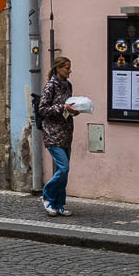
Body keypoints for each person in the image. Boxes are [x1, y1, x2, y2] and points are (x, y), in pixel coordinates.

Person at [38, 56, 80, 217]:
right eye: (67, 68)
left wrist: (73, 111)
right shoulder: (50, 86)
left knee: (62, 172)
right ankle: (47, 196)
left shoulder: (68, 85)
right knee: (64, 168)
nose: (70, 71)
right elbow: (42, 109)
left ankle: (59, 204)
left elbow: (66, 109)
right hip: (52, 134)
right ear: (58, 69)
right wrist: (62, 107)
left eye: (70, 68)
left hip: (66, 133)